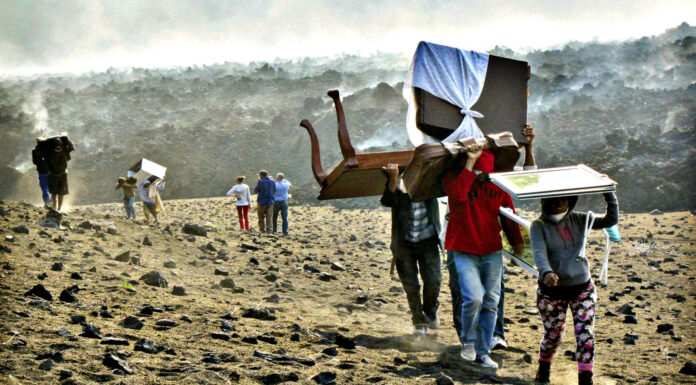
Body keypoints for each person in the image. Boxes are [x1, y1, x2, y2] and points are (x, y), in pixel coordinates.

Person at [446, 125, 537, 352]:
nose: (483, 177)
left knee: (494, 295)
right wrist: (469, 165)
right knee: (464, 294)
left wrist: (519, 246)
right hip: (460, 246)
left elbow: (508, 215)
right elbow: (457, 198)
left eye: (486, 173)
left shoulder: (498, 184)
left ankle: (495, 336)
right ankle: (467, 339)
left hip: (489, 247)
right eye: (480, 173)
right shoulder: (458, 180)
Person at [531, 192, 618, 385]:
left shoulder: (580, 218)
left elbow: (610, 219)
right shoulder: (539, 226)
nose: (560, 204)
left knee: (585, 335)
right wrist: (546, 272)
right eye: (555, 200)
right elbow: (538, 253)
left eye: (564, 200)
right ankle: (543, 371)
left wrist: (609, 193)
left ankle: (585, 380)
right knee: (553, 335)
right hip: (551, 291)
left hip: (582, 288)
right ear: (546, 202)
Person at [381, 163, 441, 335]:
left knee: (433, 280)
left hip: (428, 241)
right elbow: (388, 200)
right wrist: (393, 177)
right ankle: (418, 321)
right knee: (411, 286)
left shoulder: (430, 188)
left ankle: (430, 312)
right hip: (404, 244)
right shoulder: (399, 189)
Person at [46, 135, 74, 211]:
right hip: (56, 174)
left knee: (59, 193)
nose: (58, 148)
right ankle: (56, 207)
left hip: (59, 174)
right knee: (56, 193)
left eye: (59, 146)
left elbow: (71, 147)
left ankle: (58, 208)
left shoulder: (51, 152)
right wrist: (65, 138)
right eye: (57, 146)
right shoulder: (62, 151)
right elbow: (71, 146)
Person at [31, 137, 51, 208]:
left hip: (42, 172)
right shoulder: (49, 150)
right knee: (50, 189)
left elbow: (34, 162)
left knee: (45, 189)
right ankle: (50, 204)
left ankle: (47, 204)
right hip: (50, 172)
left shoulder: (35, 151)